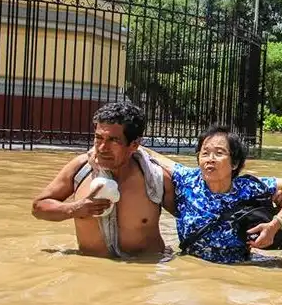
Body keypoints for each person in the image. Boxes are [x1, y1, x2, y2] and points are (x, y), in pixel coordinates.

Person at [146, 125, 282, 264]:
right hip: (191, 270)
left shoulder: (249, 187)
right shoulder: (187, 179)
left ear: (235, 163)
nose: (210, 159)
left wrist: (274, 225)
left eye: (219, 153)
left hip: (239, 269)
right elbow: (152, 156)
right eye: (205, 153)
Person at [32, 102, 175, 258]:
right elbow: (38, 208)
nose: (102, 148)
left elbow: (190, 220)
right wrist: (75, 209)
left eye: (113, 140)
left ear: (134, 145)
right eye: (98, 138)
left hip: (144, 269)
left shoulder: (157, 179)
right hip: (91, 270)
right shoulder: (80, 170)